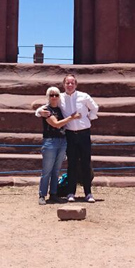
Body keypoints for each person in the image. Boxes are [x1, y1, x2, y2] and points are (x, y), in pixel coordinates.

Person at [36, 74, 99, 203]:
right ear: (64, 85)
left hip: (84, 133)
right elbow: (46, 105)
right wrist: (38, 112)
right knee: (72, 164)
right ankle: (71, 192)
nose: (70, 85)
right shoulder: (60, 98)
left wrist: (88, 118)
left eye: (72, 83)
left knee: (86, 163)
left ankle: (88, 193)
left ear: (76, 84)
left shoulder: (84, 96)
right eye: (67, 83)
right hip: (69, 134)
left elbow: (95, 108)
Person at [37, 86, 81, 205]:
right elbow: (56, 124)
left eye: (56, 95)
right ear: (48, 97)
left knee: (56, 170)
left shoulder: (61, 109)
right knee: (47, 170)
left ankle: (54, 194)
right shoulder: (46, 110)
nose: (54, 97)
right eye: (52, 95)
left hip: (62, 141)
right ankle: (42, 194)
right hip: (50, 142)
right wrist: (71, 118)